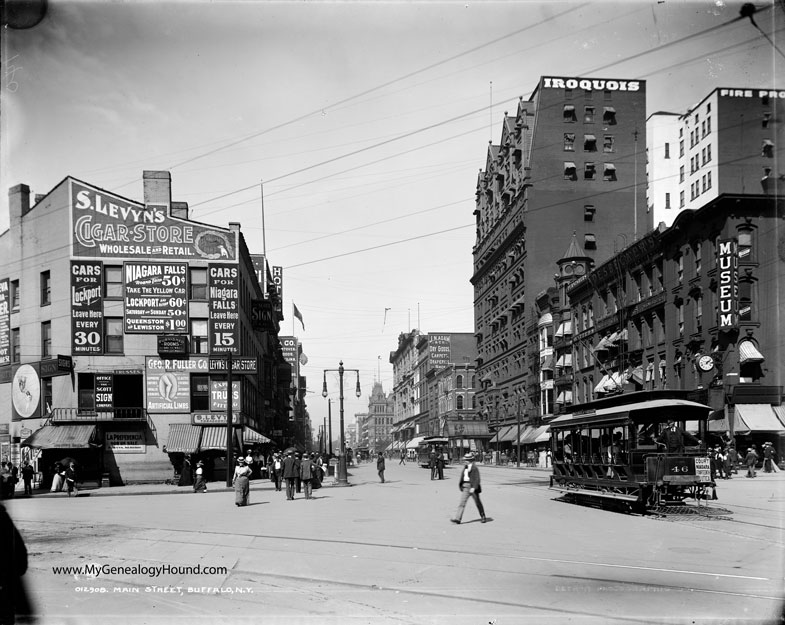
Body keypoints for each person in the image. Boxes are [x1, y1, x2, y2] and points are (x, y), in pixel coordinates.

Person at [451, 452, 486, 525]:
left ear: (470, 460)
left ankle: (483, 516)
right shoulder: (465, 467)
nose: (464, 461)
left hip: (472, 486)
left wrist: (474, 487)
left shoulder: (474, 468)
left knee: (477, 502)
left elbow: (477, 478)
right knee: (462, 503)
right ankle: (458, 519)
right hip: (466, 486)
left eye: (466, 460)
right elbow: (463, 477)